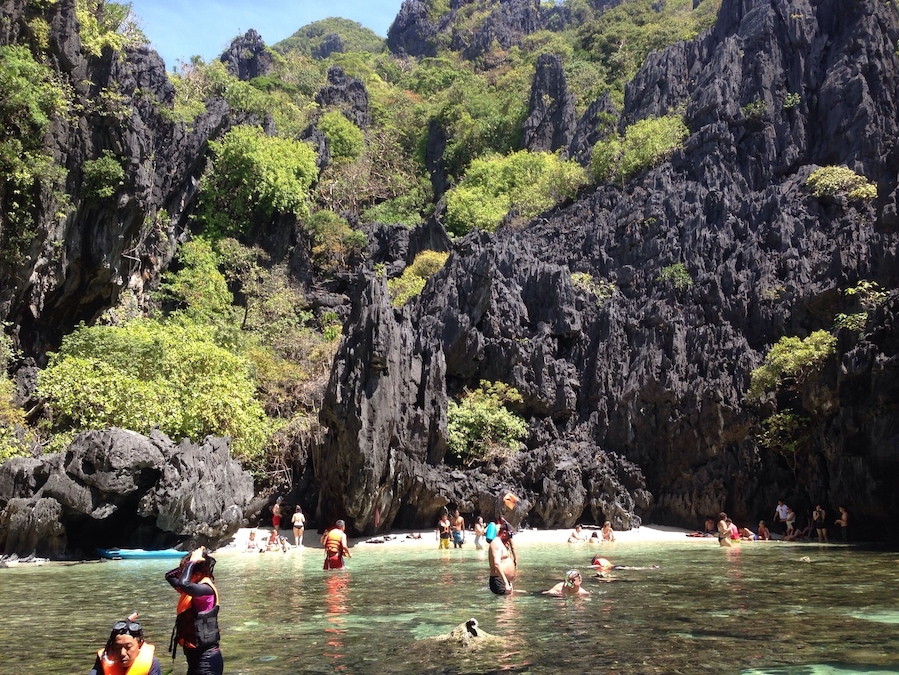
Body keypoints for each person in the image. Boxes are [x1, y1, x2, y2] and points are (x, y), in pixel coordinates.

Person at [165, 546, 223, 675]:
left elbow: (183, 584)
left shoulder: (206, 591)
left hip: (207, 660)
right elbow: (169, 576)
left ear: (197, 574)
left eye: (185, 572)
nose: (181, 575)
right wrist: (192, 560)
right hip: (195, 658)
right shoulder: (192, 589)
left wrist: (192, 562)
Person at [90, 613, 162, 675]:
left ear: (140, 645)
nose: (122, 653)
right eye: (118, 647)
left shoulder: (151, 663)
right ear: (112, 647)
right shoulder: (104, 658)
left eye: (128, 647)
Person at [487, 519, 516, 595]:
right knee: (504, 606)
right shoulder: (496, 543)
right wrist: (506, 583)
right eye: (509, 535)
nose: (510, 538)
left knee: (509, 605)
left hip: (504, 580)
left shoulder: (501, 543)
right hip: (499, 581)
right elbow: (496, 564)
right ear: (504, 533)